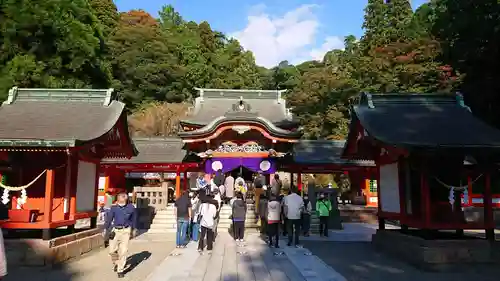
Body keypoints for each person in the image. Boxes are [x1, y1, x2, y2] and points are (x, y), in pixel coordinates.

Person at [104, 192, 137, 278]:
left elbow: (134, 219)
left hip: (126, 230)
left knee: (124, 250)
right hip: (115, 230)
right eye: (122, 200)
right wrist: (105, 229)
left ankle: (120, 270)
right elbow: (109, 219)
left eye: (125, 200)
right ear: (118, 200)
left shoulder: (131, 207)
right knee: (112, 250)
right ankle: (117, 262)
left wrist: (133, 229)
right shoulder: (114, 208)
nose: (124, 201)